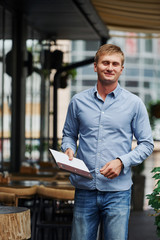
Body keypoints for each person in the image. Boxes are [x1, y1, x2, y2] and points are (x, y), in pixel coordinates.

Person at [61, 44, 154, 240]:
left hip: (118, 192)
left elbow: (147, 144)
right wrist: (68, 149)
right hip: (85, 189)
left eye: (115, 64)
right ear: (95, 66)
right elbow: (69, 134)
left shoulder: (134, 104)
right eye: (105, 63)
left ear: (121, 69)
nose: (109, 67)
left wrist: (122, 161)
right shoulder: (78, 102)